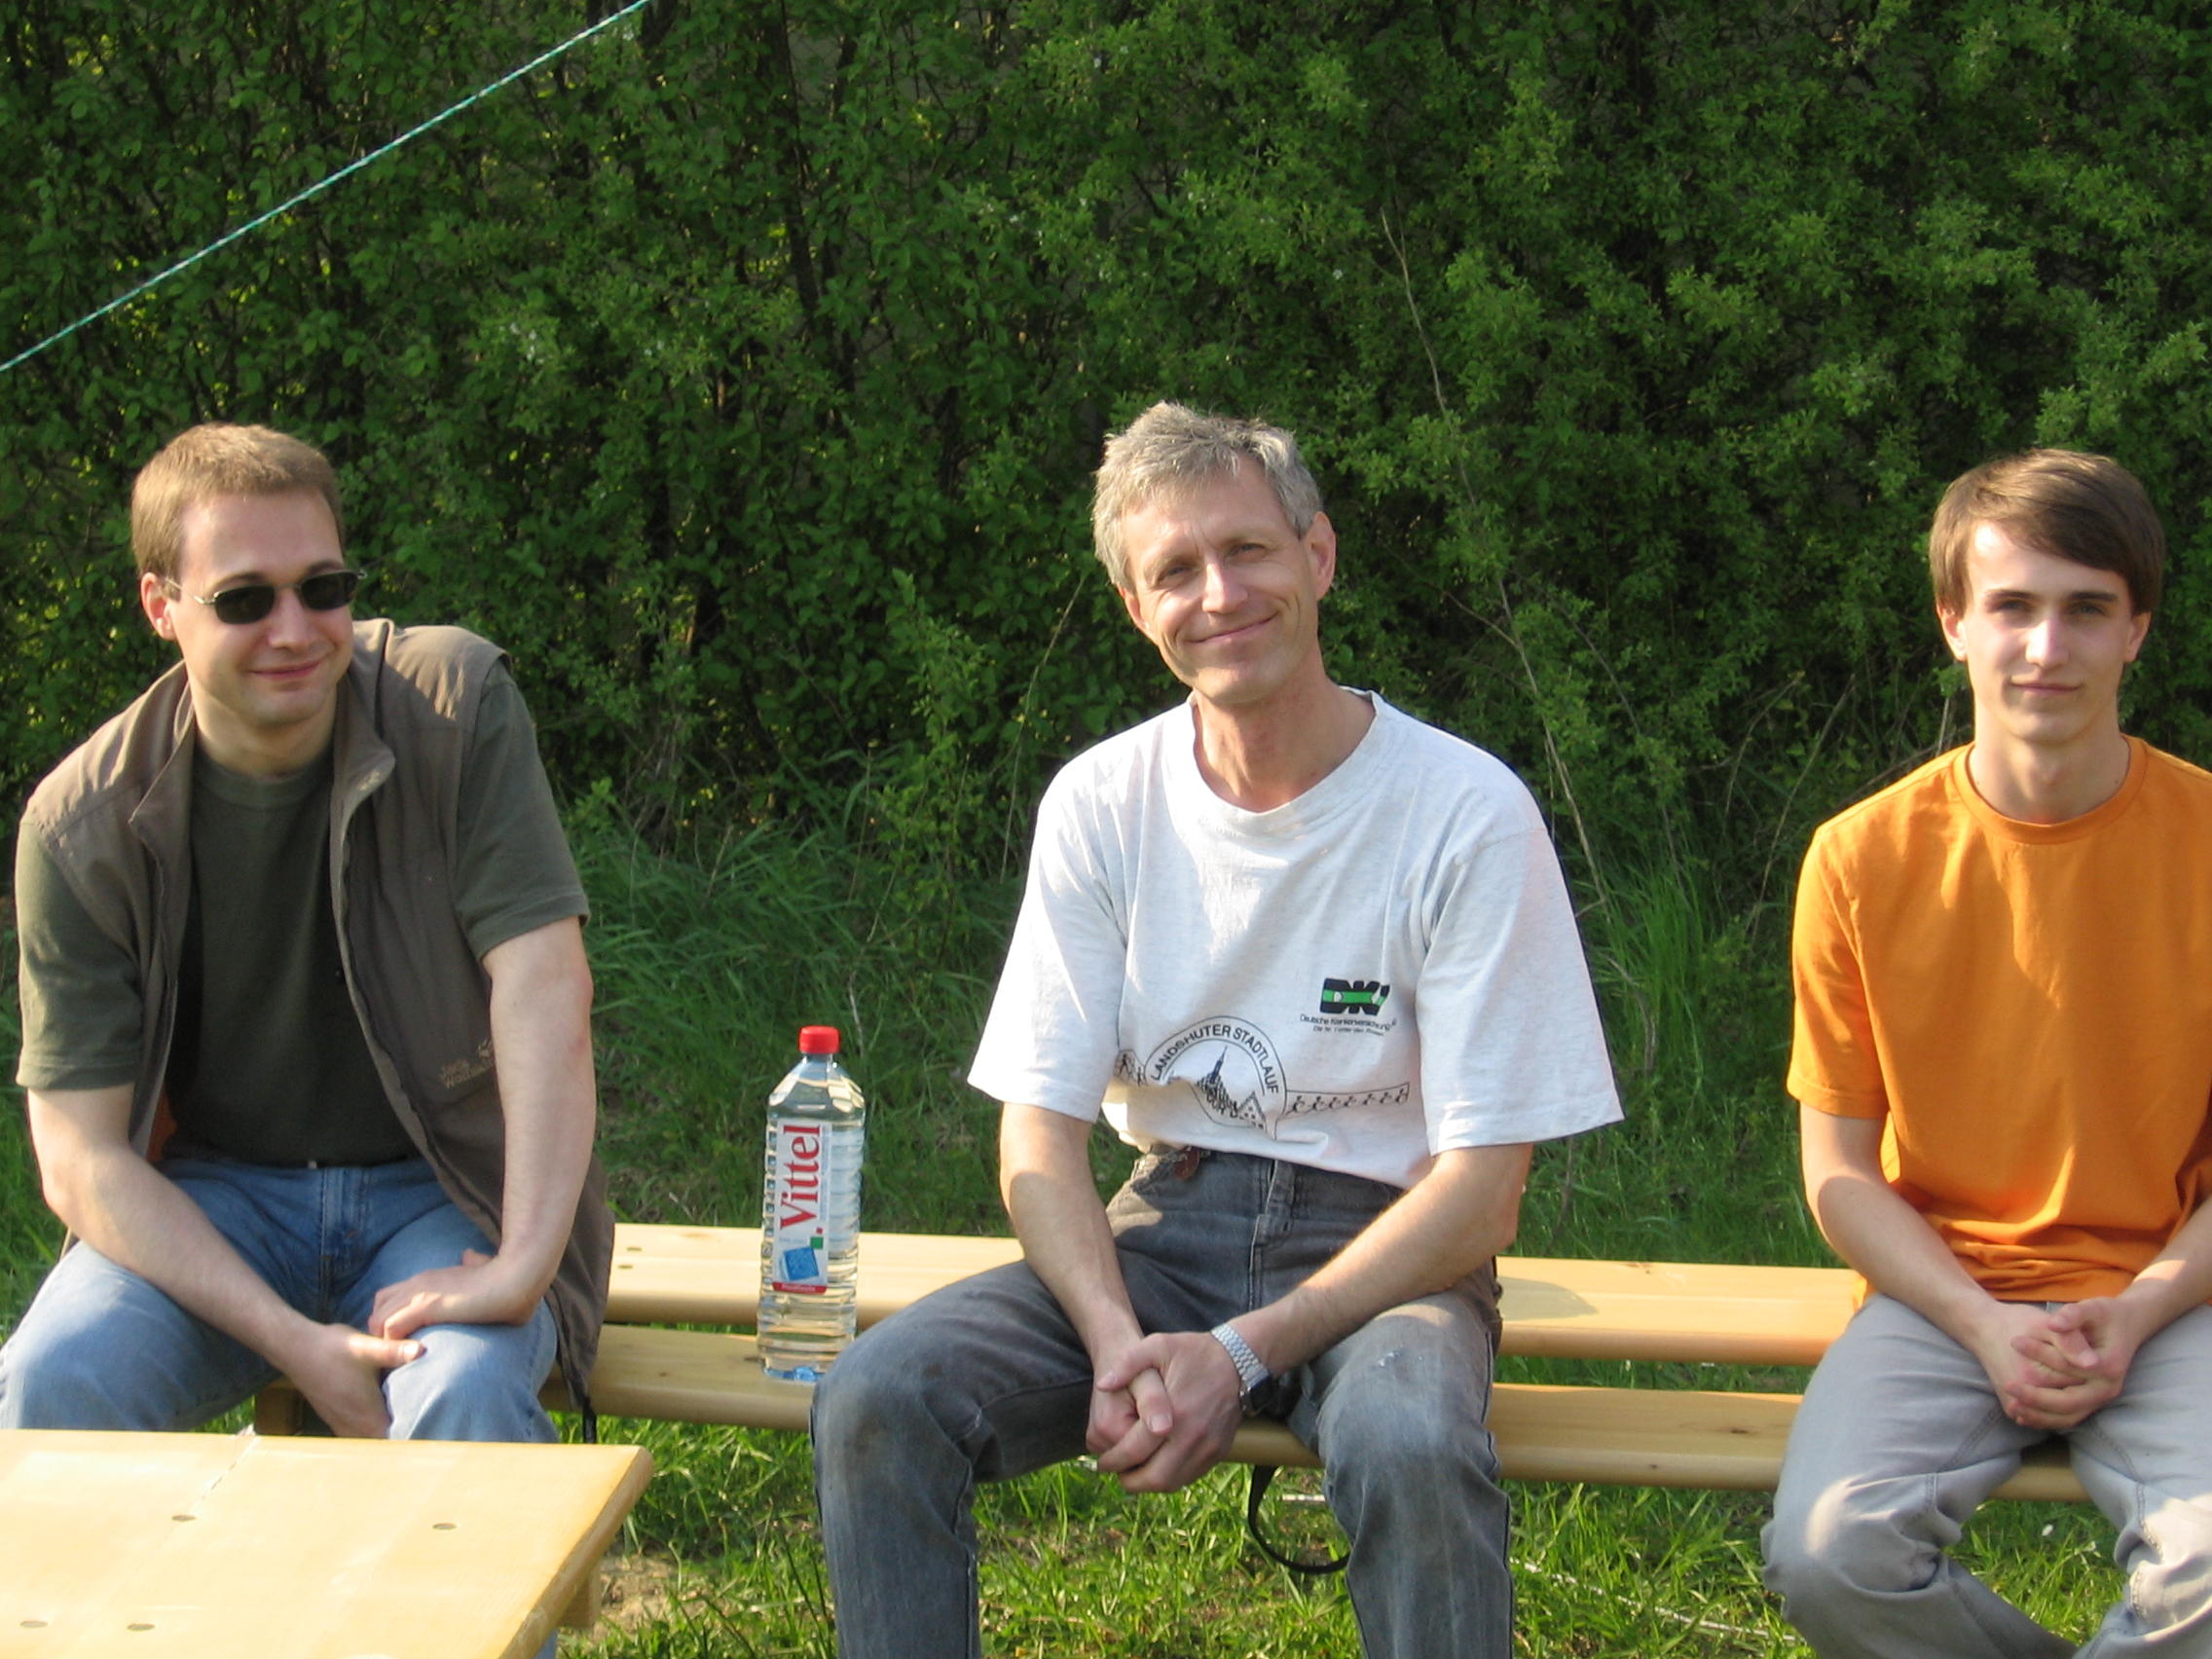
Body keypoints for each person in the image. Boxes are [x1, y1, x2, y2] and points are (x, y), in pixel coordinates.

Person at [811, 402, 1621, 1657]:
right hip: (1163, 1230)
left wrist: (1238, 1356)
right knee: (876, 1395)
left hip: (1390, 1249)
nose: (1219, 595)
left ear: (1319, 556)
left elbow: (1481, 1194)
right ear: (1137, 609)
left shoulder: (1463, 810)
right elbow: (1038, 1137)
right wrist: (1117, 1343)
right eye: (1175, 571)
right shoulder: (1100, 802)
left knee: (1408, 1438)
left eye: (1247, 550)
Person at [0, 422, 610, 1449]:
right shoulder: (81, 825)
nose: (294, 629)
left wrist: (520, 1269)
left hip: (444, 1185)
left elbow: (547, 987)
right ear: (161, 606)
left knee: (463, 1390)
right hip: (215, 1201)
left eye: (323, 588)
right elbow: (80, 1155)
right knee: (49, 1384)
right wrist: (291, 1340)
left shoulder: (453, 707)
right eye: (245, 599)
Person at [1763, 449, 2212, 1656]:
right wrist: (1979, 1323)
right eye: (2011, 606)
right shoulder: (1859, 858)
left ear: (2137, 631)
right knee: (1829, 1554)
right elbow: (1838, 1173)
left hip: (2171, 1295)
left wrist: (2135, 1313)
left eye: (2086, 609)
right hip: (1941, 1295)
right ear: (1953, 623)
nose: (2045, 648)